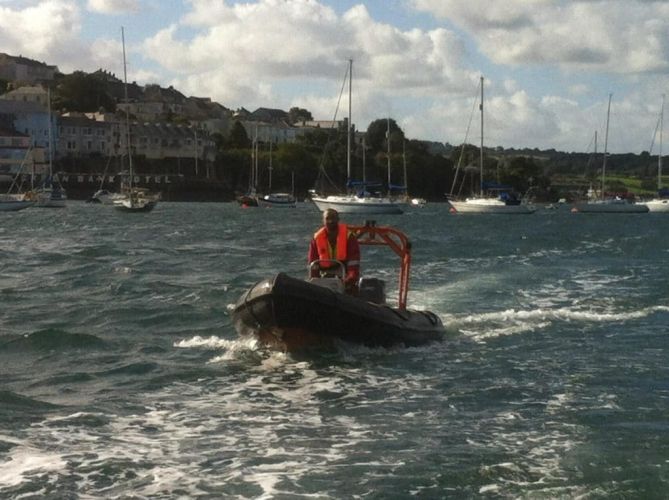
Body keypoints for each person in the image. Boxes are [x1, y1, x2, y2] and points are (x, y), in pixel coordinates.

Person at [308, 208, 360, 294]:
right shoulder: (316, 239)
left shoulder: (349, 238)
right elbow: (313, 264)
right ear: (323, 221)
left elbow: (353, 266)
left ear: (338, 220)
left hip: (344, 274)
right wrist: (315, 283)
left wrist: (346, 282)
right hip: (323, 276)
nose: (330, 221)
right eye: (327, 218)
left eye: (333, 218)